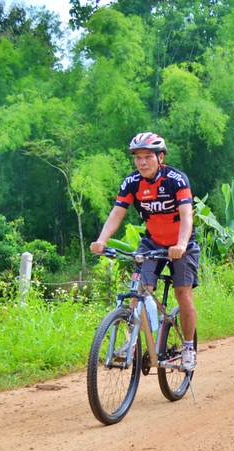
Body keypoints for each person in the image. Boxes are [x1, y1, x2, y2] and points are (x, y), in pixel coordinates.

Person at [89, 132, 200, 371]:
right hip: (152, 243)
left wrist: (181, 245)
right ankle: (131, 342)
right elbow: (117, 213)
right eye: (138, 157)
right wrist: (101, 240)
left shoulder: (176, 180)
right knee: (138, 291)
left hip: (182, 243)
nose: (142, 162)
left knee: (183, 293)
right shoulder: (132, 183)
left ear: (161, 157)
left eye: (148, 156)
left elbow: (186, 216)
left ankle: (188, 347)